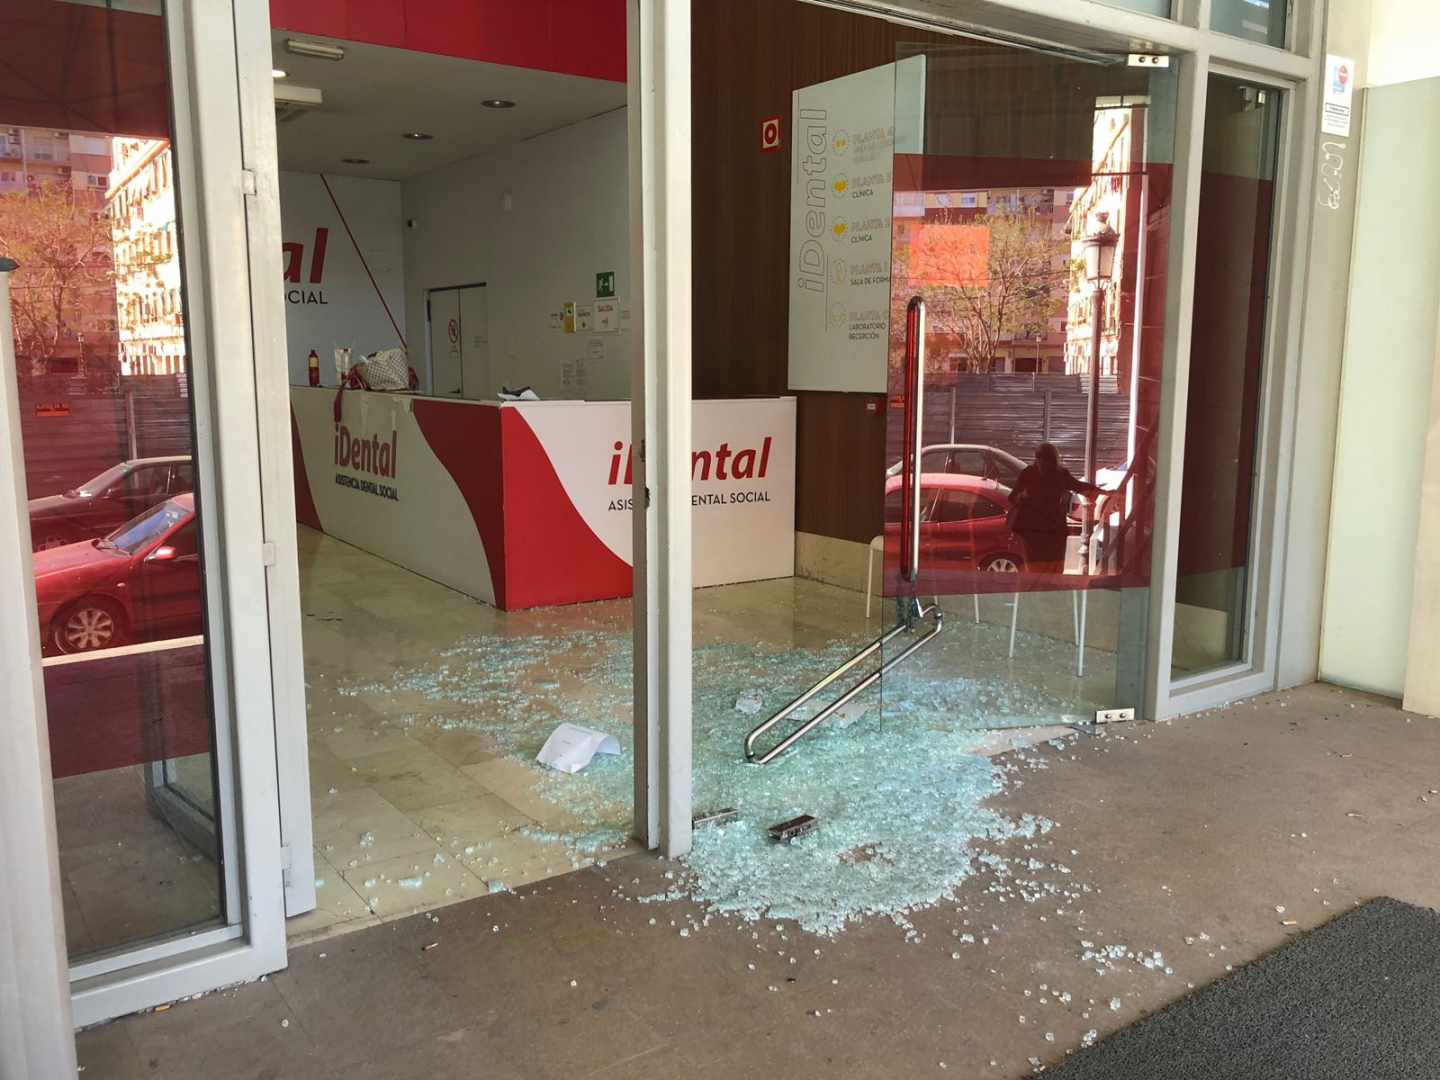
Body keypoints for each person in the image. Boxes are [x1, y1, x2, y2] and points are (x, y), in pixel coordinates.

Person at [1006, 443, 1103, 575]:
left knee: (1037, 569)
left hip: (1036, 530)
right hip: (1051, 529)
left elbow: (1012, 498)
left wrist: (1022, 496)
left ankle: (1040, 591)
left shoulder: (1030, 473)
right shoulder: (1057, 473)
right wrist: (1100, 491)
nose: (1043, 463)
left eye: (1044, 459)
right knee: (1053, 569)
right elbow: (1078, 486)